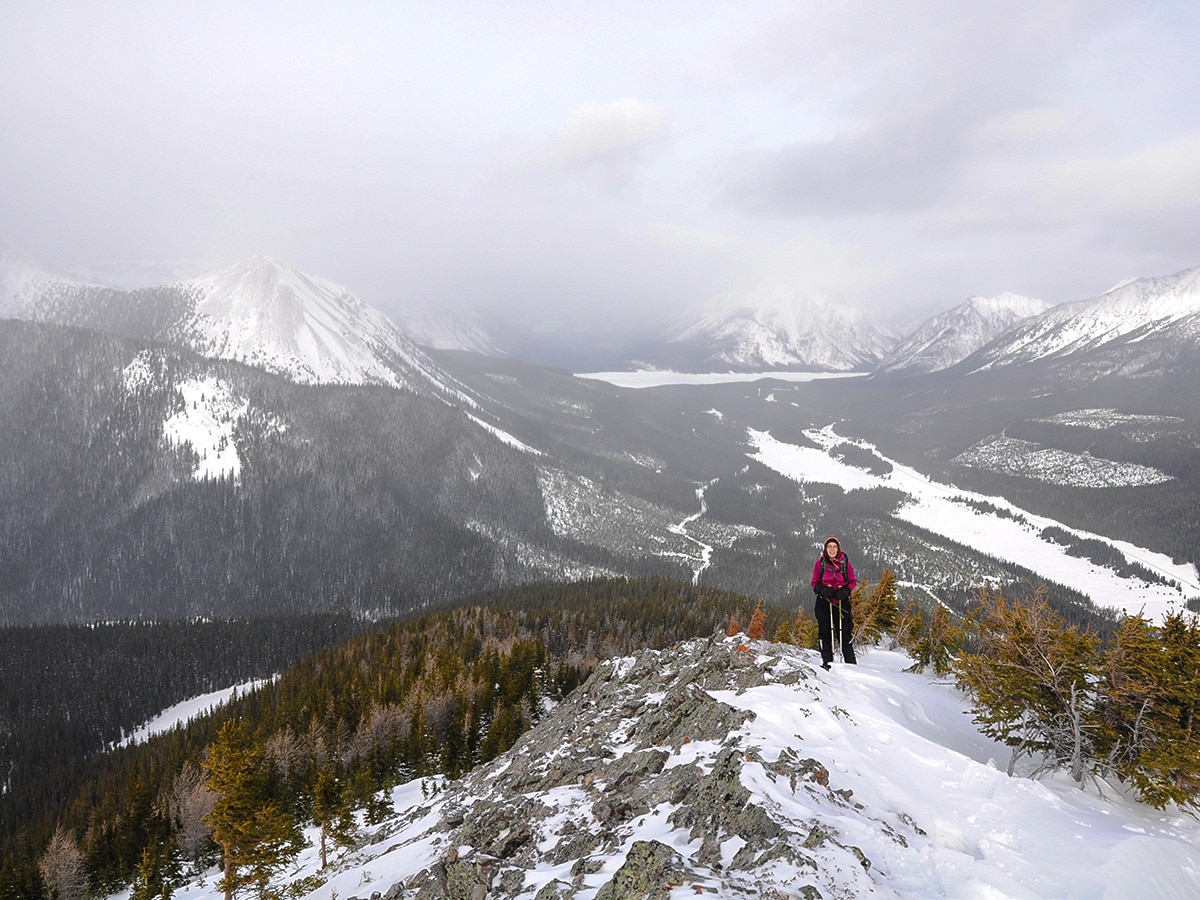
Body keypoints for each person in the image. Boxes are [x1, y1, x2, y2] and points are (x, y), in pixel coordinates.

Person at [811, 535, 857, 669]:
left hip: (842, 602)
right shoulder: (820, 563)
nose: (832, 549)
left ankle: (851, 666)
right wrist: (823, 590)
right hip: (824, 602)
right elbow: (814, 583)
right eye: (829, 546)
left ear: (838, 548)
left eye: (834, 546)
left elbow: (852, 581)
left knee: (845, 635)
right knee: (825, 634)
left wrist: (845, 591)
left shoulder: (845, 563)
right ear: (825, 549)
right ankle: (827, 663)